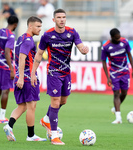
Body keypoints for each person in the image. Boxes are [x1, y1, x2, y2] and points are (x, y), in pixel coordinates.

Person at [31, 9, 89, 145]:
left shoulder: (72, 32)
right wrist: (33, 72)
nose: (62, 19)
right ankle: (54, 136)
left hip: (66, 72)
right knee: (55, 102)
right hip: (53, 72)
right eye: (59, 17)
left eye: (63, 17)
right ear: (54, 20)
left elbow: (81, 47)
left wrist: (84, 50)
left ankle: (46, 119)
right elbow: (39, 54)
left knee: (63, 102)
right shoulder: (47, 35)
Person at [3, 16, 46, 142]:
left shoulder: (21, 38)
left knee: (22, 106)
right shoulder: (28, 40)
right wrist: (22, 77)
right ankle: (31, 135)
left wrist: (19, 76)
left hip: (20, 77)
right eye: (38, 27)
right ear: (30, 26)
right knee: (31, 106)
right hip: (27, 78)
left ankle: (9, 125)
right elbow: (22, 57)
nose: (40, 29)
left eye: (40, 27)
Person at [101, 28, 133, 124]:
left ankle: (115, 107)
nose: (119, 39)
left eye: (119, 37)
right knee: (116, 94)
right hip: (114, 73)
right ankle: (118, 118)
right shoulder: (106, 47)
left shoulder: (124, 42)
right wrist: (107, 77)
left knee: (124, 93)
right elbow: (104, 62)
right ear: (112, 37)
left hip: (125, 72)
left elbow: (129, 55)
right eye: (116, 38)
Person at [0, 15, 18, 124]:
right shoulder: (10, 35)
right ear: (15, 25)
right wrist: (11, 68)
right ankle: (2, 117)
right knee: (6, 90)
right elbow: (7, 51)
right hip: (6, 65)